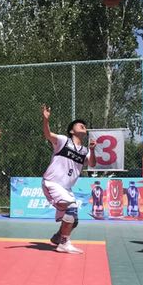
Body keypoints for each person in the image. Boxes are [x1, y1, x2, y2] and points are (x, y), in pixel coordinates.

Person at [41, 105, 96, 253]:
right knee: (71, 209)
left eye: (84, 126)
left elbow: (92, 164)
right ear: (72, 131)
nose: (83, 126)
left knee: (74, 220)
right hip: (52, 183)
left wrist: (92, 150)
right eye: (80, 124)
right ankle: (64, 244)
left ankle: (58, 237)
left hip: (66, 188)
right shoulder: (63, 141)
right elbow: (48, 134)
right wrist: (45, 120)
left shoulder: (84, 151)